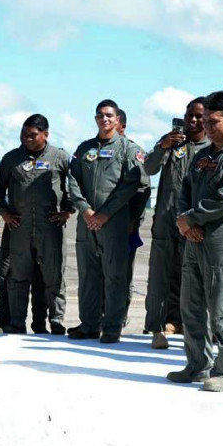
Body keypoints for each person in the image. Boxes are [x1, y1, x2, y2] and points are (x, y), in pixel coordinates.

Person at [167, 91, 223, 391]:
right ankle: (197, 364)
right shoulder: (203, 155)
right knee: (191, 303)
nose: (205, 125)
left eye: (213, 121)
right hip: (194, 238)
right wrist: (184, 220)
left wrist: (190, 218)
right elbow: (185, 189)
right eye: (204, 120)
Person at [65, 100, 146, 343]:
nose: (104, 119)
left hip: (114, 223)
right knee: (88, 274)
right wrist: (86, 210)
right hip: (87, 222)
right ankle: (89, 324)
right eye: (100, 115)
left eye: (109, 115)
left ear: (118, 120)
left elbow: (132, 185)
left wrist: (106, 213)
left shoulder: (129, 150)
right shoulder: (85, 148)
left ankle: (112, 327)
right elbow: (72, 179)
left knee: (115, 275)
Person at [0, 114, 72, 335]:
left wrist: (68, 210)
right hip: (20, 229)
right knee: (17, 278)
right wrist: (4, 213)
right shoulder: (11, 159)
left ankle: (55, 322)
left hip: (50, 229)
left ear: (46, 135)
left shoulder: (60, 158)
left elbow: (74, 187)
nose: (26, 138)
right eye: (24, 134)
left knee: (53, 277)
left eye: (32, 135)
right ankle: (17, 323)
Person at [143, 99, 209, 349]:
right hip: (166, 220)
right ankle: (156, 327)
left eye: (199, 116)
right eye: (189, 115)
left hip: (194, 222)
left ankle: (191, 325)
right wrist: (162, 146)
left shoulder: (211, 146)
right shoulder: (172, 142)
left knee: (192, 275)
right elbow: (148, 168)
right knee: (160, 274)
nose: (192, 120)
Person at [117, 108, 151, 330]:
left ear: (123, 126)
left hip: (125, 224)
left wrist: (134, 220)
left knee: (122, 274)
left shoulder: (133, 151)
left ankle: (119, 317)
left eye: (113, 120)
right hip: (100, 223)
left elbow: (143, 188)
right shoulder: (95, 150)